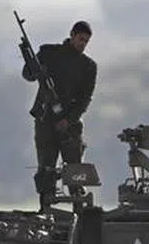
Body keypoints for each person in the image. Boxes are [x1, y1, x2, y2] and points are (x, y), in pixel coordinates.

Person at [21, 20, 98, 211]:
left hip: (70, 125)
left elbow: (84, 99)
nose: (82, 44)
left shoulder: (88, 66)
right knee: (46, 170)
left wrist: (68, 120)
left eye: (86, 41)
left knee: (75, 173)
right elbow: (28, 75)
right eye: (80, 39)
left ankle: (79, 213)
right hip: (45, 120)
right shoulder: (49, 54)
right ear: (71, 34)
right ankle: (45, 211)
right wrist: (34, 66)